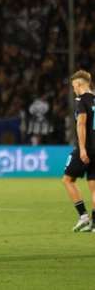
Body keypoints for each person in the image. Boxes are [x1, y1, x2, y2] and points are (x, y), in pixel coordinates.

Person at [62, 70, 95, 232]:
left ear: (80, 84)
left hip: (87, 147)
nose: (73, 89)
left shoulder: (81, 101)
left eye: (74, 86)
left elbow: (81, 124)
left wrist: (82, 149)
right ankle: (94, 223)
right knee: (94, 187)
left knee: (67, 180)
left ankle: (83, 216)